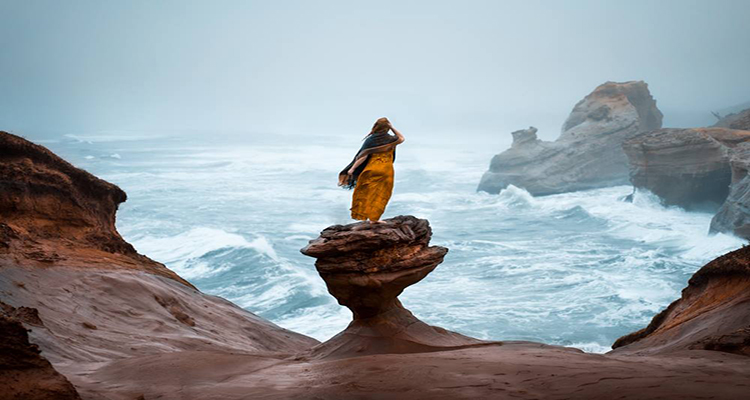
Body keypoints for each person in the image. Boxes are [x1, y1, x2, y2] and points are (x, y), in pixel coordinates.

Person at [338, 117, 405, 224]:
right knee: (382, 193)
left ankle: (363, 214)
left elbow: (362, 156)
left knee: (365, 192)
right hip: (386, 170)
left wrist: (352, 168)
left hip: (371, 169)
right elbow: (401, 138)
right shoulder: (391, 140)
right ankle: (375, 218)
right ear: (387, 128)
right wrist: (392, 127)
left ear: (375, 126)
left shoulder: (371, 140)